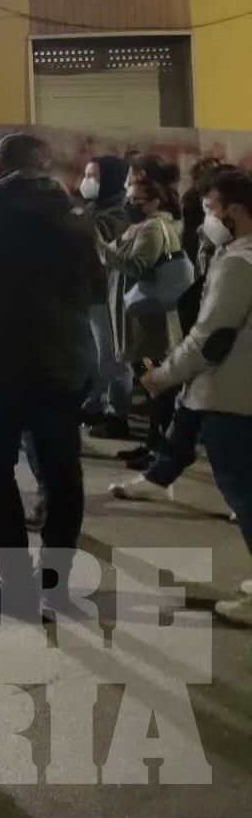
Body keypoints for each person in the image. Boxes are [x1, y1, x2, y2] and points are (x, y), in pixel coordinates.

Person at [0, 133, 102, 616]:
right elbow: (92, 282)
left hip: (0, 359)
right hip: (63, 356)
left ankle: (12, 582)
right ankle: (55, 583)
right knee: (61, 471)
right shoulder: (72, 210)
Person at [140, 168, 252, 626]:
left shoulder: (237, 263)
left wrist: (163, 377)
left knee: (245, 495)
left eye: (211, 208)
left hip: (231, 395)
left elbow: (211, 337)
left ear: (236, 210)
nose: (207, 218)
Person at [99, 171, 188, 486]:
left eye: (137, 200)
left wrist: (102, 246)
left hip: (152, 320)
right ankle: (153, 445)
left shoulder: (154, 228)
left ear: (154, 201)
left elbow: (135, 266)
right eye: (130, 198)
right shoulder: (144, 225)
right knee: (152, 386)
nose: (130, 203)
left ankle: (161, 450)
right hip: (142, 316)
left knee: (159, 387)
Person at [78, 155, 135, 430]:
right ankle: (95, 405)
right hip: (88, 292)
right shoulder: (92, 208)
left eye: (95, 176)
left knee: (112, 358)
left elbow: (99, 246)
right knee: (93, 358)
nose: (88, 182)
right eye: (87, 175)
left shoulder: (120, 212)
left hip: (107, 293)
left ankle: (117, 413)